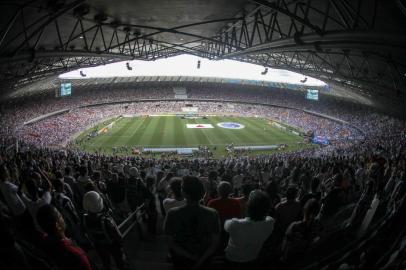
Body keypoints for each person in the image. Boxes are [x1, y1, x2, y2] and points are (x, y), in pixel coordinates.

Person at [164, 176, 221, 270]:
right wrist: (200, 261)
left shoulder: (173, 213)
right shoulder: (212, 213)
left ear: (184, 192)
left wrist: (189, 256)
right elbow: (214, 242)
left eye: (182, 187)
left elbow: (169, 241)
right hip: (204, 258)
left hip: (180, 258)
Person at [224, 190, 274, 269]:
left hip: (233, 259)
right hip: (252, 258)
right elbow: (266, 217)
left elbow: (226, 226)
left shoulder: (235, 224)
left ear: (248, 207)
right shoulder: (270, 222)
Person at [36, 204, 92, 270]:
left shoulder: (45, 244)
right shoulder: (75, 254)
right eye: (60, 216)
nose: (63, 217)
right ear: (58, 226)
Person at [82, 191, 127, 270]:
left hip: (99, 245)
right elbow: (118, 236)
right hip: (112, 245)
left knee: (106, 263)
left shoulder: (85, 218)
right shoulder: (106, 220)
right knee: (120, 263)